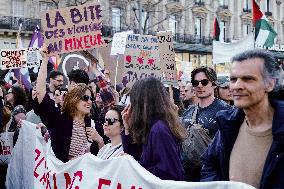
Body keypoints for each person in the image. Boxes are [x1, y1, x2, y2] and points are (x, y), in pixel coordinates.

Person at [201, 49, 284, 189]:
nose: (236, 86)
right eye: (233, 79)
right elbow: (209, 164)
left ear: (270, 84)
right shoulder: (228, 124)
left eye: (248, 79)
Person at [33, 48, 104, 162]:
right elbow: (41, 93)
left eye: (91, 98)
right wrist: (45, 60)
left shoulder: (95, 127)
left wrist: (100, 140)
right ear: (74, 99)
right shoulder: (59, 119)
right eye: (85, 98)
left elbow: (104, 161)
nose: (90, 102)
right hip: (62, 177)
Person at [122, 77, 186, 181]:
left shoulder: (159, 129)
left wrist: (136, 167)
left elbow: (170, 173)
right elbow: (133, 156)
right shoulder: (150, 126)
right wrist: (127, 129)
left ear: (141, 101)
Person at [181, 66, 232, 181]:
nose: (199, 86)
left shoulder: (225, 112)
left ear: (214, 84)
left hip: (211, 177)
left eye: (204, 82)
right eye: (196, 82)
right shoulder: (188, 112)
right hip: (187, 177)